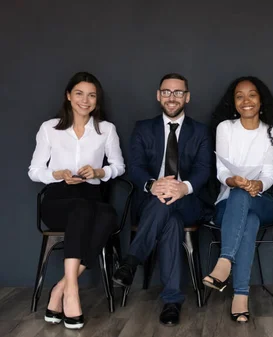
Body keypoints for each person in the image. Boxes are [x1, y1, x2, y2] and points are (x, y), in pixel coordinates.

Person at [112, 73, 212, 326]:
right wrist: (153, 184)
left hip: (188, 201)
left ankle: (131, 261)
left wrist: (183, 188)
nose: (172, 97)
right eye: (166, 91)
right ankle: (171, 302)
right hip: (152, 200)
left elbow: (203, 169)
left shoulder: (200, 131)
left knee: (168, 204)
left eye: (178, 92)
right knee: (171, 224)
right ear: (158, 95)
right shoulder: (143, 128)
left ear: (187, 97)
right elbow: (134, 167)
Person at [28, 71, 125, 329]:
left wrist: (98, 172)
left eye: (91, 95)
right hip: (58, 200)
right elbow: (34, 171)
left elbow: (119, 166)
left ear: (97, 100)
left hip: (91, 195)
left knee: (108, 216)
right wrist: (55, 174)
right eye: (79, 93)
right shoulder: (49, 128)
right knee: (83, 211)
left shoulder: (106, 130)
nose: (85, 100)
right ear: (68, 96)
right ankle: (72, 294)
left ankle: (61, 288)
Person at [202, 76, 273, 323]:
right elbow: (221, 170)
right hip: (228, 203)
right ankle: (241, 295)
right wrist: (233, 181)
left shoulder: (272, 133)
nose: (246, 100)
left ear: (261, 100)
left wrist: (258, 184)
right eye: (240, 96)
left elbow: (269, 174)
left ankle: (224, 261)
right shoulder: (225, 128)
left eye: (252, 95)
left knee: (249, 205)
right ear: (234, 102)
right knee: (247, 219)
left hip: (262, 200)